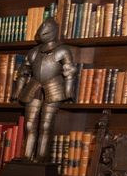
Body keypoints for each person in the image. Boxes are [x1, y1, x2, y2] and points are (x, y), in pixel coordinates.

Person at [12, 15, 79, 164]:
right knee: (29, 124)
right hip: (33, 87)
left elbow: (69, 71)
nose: (43, 33)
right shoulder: (34, 51)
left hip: (54, 87)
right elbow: (24, 71)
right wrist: (17, 91)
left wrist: (69, 91)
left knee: (46, 125)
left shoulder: (62, 51)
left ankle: (41, 157)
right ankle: (27, 156)